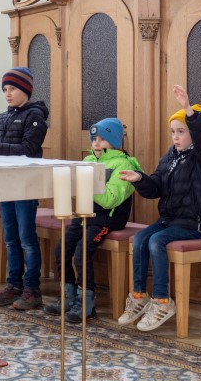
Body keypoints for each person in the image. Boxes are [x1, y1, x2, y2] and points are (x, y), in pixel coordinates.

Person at [117, 85, 201, 331]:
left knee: (156, 241)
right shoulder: (170, 157)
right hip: (171, 221)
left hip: (195, 225)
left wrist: (188, 110)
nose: (176, 137)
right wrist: (140, 179)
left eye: (181, 131)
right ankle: (139, 296)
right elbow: (156, 187)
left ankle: (163, 300)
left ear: (194, 132)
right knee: (140, 238)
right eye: (173, 132)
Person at [43, 117, 142, 322]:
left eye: (102, 139)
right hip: (83, 216)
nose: (96, 143)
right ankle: (68, 296)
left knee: (81, 253)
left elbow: (110, 200)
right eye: (94, 139)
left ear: (114, 141)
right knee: (61, 249)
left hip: (106, 219)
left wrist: (85, 185)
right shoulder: (88, 160)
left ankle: (86, 302)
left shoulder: (123, 164)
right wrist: (69, 187)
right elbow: (78, 194)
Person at [0, 66, 49, 310]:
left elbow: (28, 149)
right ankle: (13, 285)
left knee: (26, 238)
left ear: (26, 90)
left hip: (25, 186)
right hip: (5, 185)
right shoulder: (2, 118)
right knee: (10, 238)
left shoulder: (36, 117)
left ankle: (32, 289)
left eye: (12, 88)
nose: (7, 93)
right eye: (4, 89)